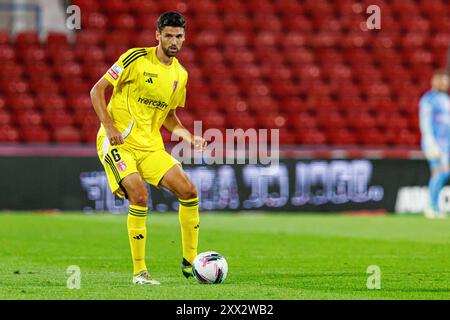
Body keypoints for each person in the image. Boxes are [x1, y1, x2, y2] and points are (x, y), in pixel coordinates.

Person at [90, 12, 206, 284]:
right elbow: (97, 91)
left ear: (184, 37)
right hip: (118, 143)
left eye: (178, 36)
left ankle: (191, 262)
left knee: (189, 191)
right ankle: (139, 271)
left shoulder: (180, 75)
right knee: (139, 195)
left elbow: (169, 117)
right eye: (168, 35)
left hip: (151, 146)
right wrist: (109, 126)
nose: (174, 41)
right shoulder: (134, 58)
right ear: (158, 35)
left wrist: (189, 137)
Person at [419, 69, 450, 219]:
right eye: (442, 80)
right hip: (434, 143)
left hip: (446, 145)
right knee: (440, 172)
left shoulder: (445, 98)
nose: (445, 83)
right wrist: (430, 142)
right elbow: (425, 122)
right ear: (435, 81)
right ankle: (431, 206)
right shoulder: (429, 99)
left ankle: (435, 206)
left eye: (446, 81)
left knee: (444, 173)